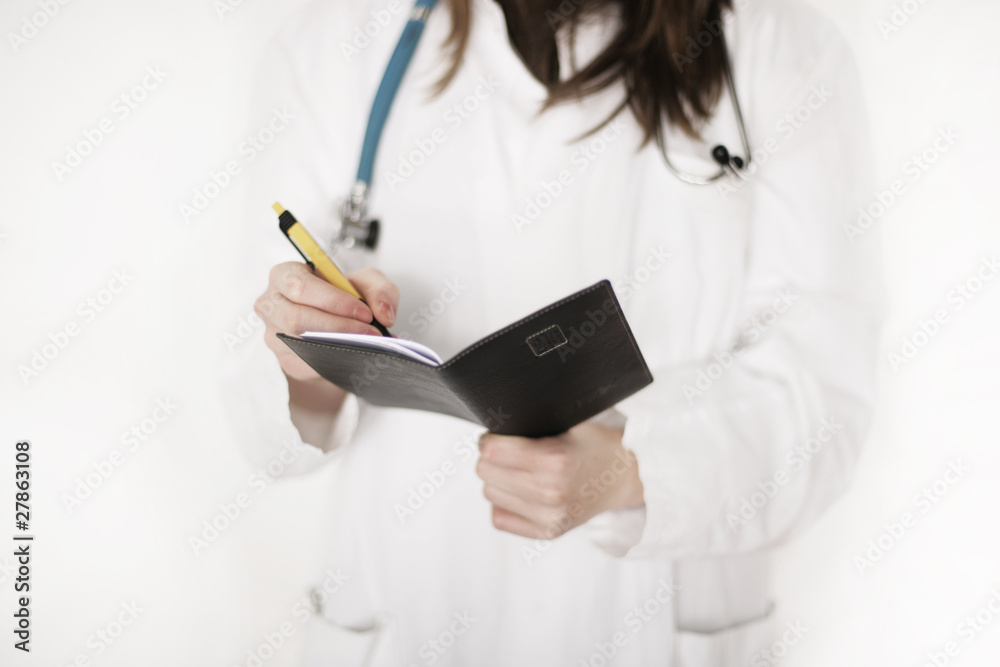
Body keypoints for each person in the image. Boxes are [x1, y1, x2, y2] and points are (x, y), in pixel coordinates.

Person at [225, 0, 880, 664]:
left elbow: (825, 399)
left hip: (656, 625)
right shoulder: (335, 43)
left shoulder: (784, 49)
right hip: (408, 607)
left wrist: (633, 469)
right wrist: (307, 358)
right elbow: (262, 433)